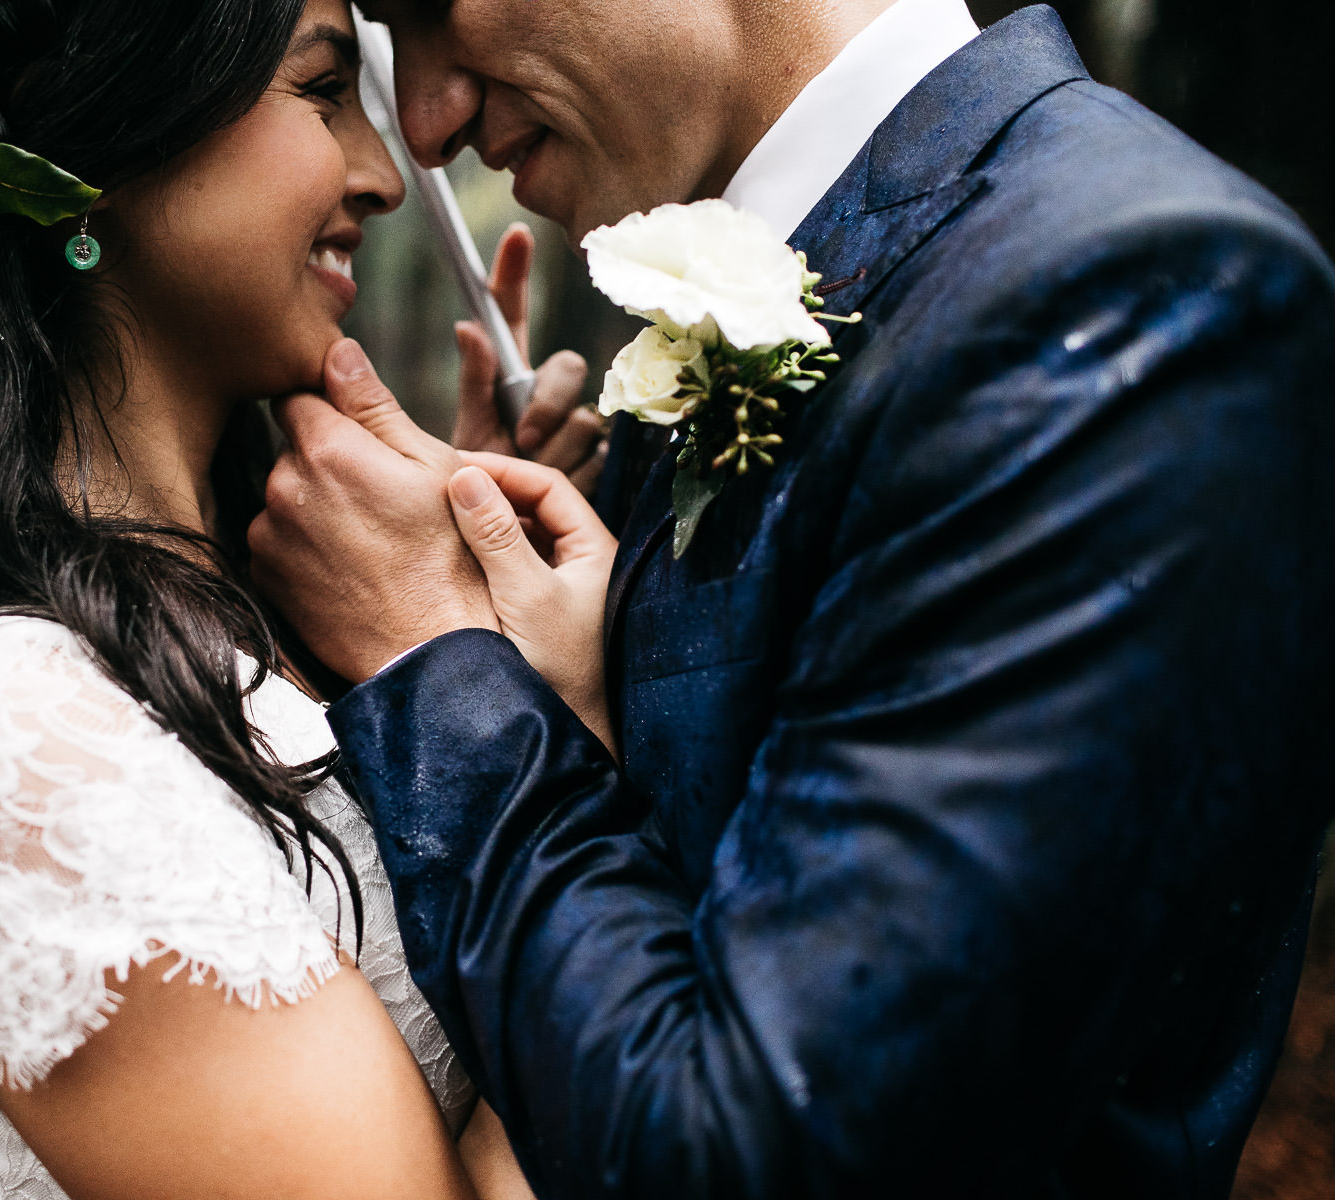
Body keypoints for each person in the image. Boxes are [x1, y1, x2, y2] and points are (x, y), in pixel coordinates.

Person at [248, 0, 1335, 1195]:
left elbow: (759, 1154)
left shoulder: (1127, 287)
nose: (426, 122)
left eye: (431, 6)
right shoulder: (812, 282)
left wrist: (442, 658)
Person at [0, 1, 589, 1196]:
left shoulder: (280, 593)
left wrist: (464, 583)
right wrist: (547, 731)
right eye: (323, 88)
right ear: (101, 150)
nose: (384, 173)